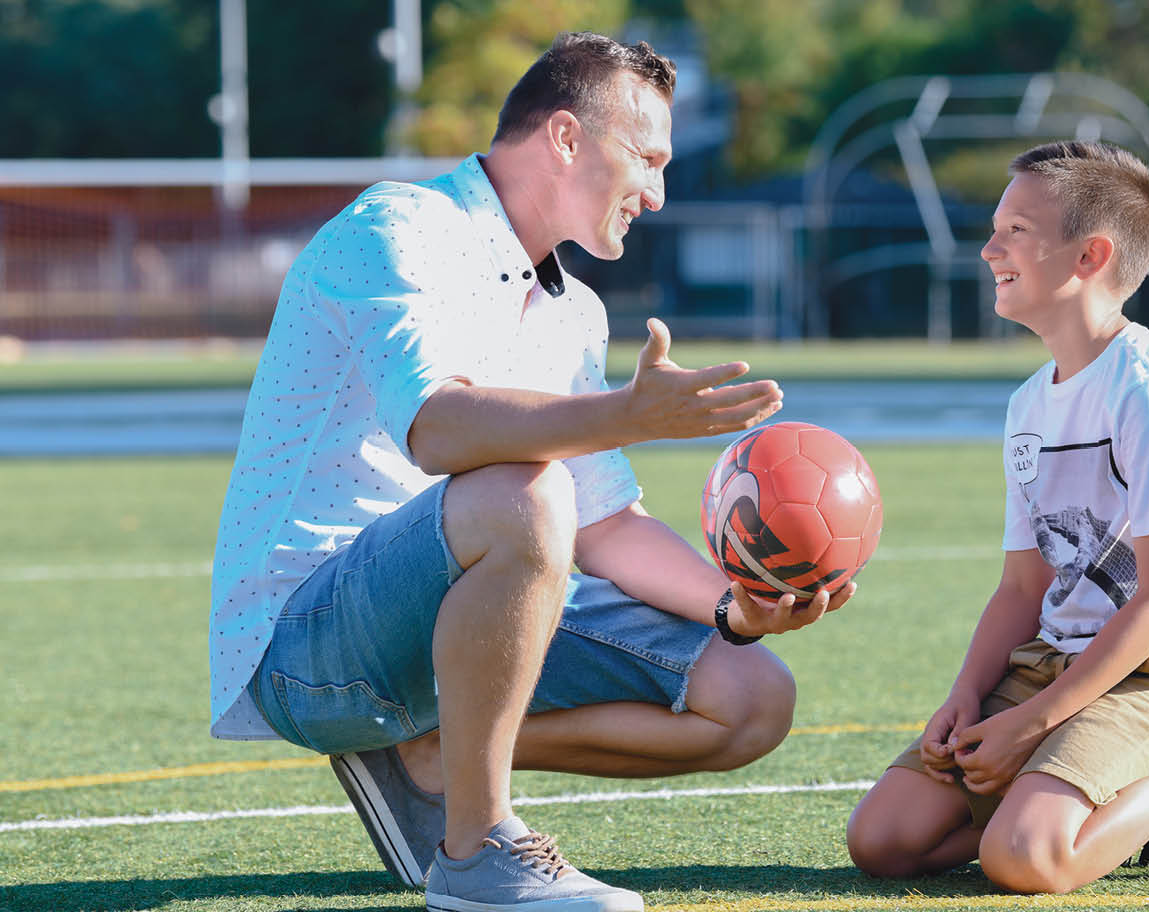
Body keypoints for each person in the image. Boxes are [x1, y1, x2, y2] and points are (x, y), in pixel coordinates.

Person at [209, 32, 854, 912]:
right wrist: (624, 416)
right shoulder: (399, 227)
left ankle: (430, 758)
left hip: (453, 611)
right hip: (310, 648)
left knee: (749, 696)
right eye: (647, 159)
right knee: (524, 489)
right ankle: (477, 854)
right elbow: (437, 428)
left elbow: (604, 524)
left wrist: (734, 608)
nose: (658, 194)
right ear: (564, 137)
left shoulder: (574, 310)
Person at [845, 141, 1149, 893]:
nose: (990, 248)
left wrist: (1028, 729)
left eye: (1016, 232)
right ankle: (1129, 806)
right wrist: (965, 698)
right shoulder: (1029, 403)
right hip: (1055, 660)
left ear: (1091, 255)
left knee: (1025, 859)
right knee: (881, 841)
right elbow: (1020, 588)